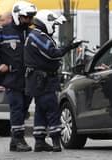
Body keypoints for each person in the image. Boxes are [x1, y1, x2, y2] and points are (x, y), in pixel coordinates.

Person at [23, 10, 82, 152]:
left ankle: (40, 141)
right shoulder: (37, 36)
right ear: (46, 22)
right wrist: (69, 47)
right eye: (54, 25)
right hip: (43, 80)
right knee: (52, 109)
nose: (54, 28)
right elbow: (52, 54)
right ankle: (56, 142)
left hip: (40, 79)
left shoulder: (37, 35)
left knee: (41, 111)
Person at [0, 1, 37, 152]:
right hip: (11, 78)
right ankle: (19, 139)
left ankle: (14, 141)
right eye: (26, 17)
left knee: (24, 109)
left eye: (31, 17)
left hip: (28, 78)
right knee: (17, 108)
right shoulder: (2, 31)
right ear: (17, 16)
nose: (28, 20)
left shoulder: (33, 33)